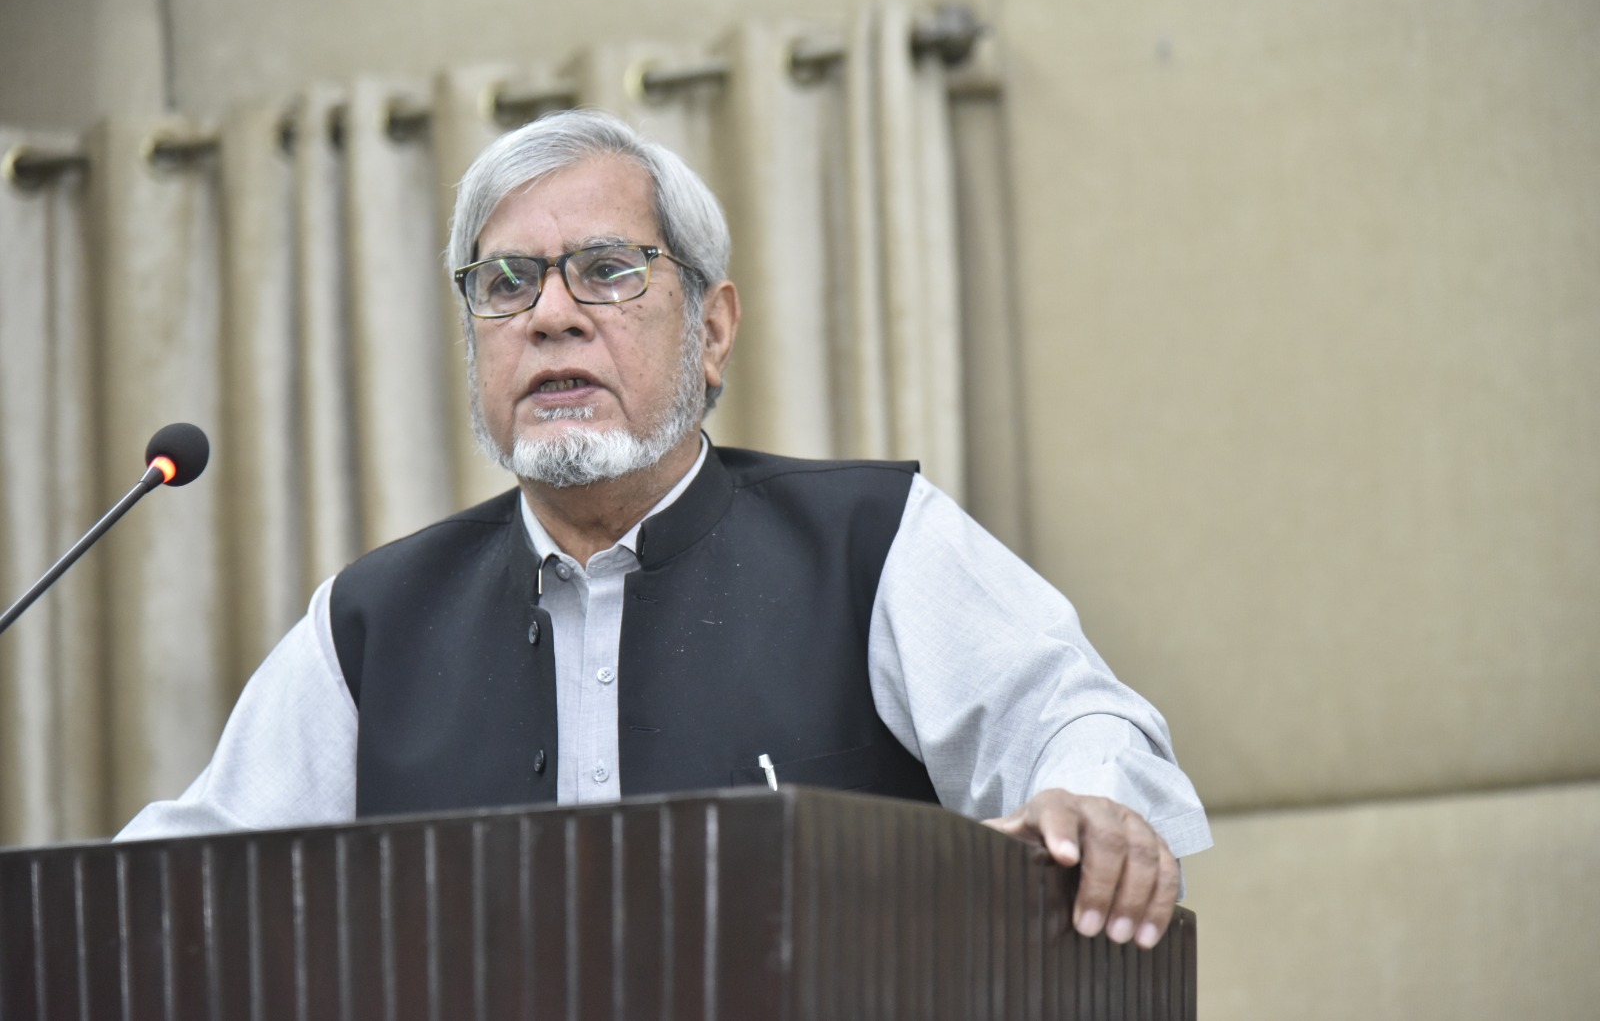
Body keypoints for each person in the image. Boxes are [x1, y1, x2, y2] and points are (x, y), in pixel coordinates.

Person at [119, 109, 1211, 951]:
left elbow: (1076, 721)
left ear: (712, 328)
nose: (551, 314)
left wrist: (1089, 804)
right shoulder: (372, 623)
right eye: (506, 284)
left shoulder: (872, 545)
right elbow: (176, 885)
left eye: (606, 271)